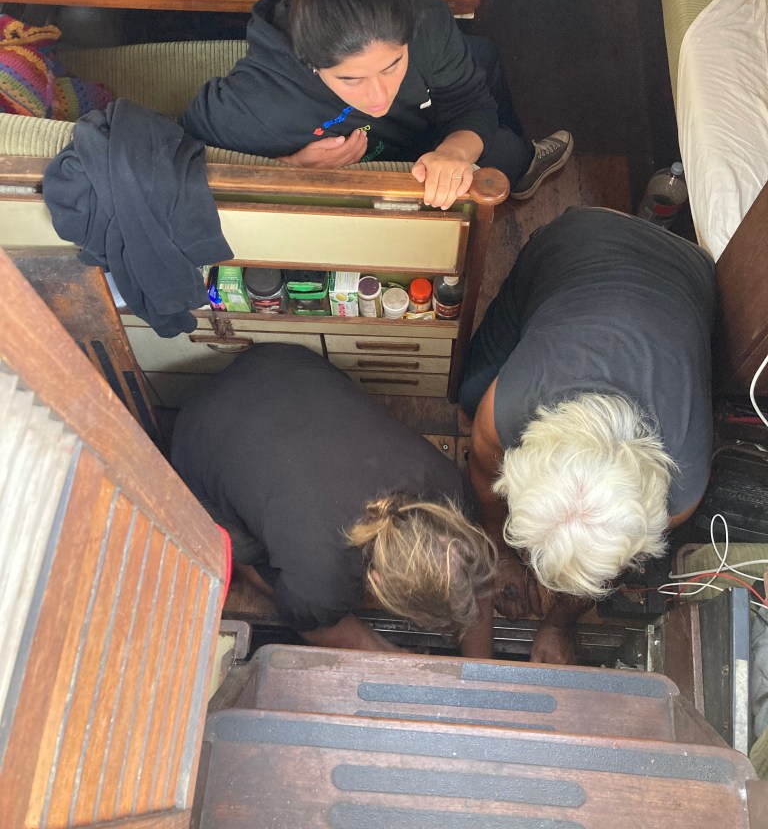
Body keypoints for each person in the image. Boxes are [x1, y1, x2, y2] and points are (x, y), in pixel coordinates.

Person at [458, 207, 716, 664]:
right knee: (469, 392)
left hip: (686, 270)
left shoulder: (684, 489)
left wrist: (558, 622)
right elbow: (483, 474)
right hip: (580, 238)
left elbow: (613, 562)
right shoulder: (507, 405)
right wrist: (500, 552)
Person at [180, 0, 573, 211]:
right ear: (310, 63)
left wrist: (454, 152)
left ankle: (524, 166)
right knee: (502, 142)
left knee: (487, 66)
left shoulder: (426, 20)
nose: (379, 96)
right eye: (351, 79)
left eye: (392, 65)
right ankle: (522, 160)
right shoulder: (258, 101)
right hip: (381, 178)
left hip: (430, 130)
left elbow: (470, 101)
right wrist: (293, 166)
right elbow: (185, 145)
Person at [171, 342, 497, 656]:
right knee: (254, 555)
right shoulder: (322, 579)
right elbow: (313, 623)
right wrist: (388, 656)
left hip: (282, 362)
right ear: (377, 582)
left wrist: (481, 667)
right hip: (196, 433)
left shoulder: (448, 486)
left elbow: (472, 580)